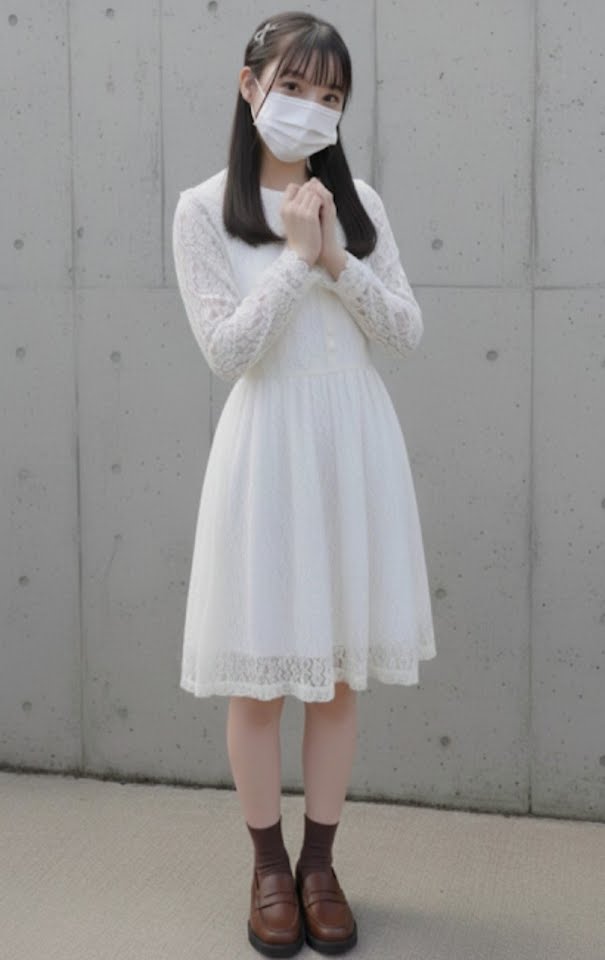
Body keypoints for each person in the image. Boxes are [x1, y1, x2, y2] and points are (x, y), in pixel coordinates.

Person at [172, 10, 437, 957]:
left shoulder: (358, 202)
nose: (310, 108)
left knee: (334, 678)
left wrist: (334, 256)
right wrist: (294, 261)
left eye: (330, 96)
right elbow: (226, 350)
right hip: (268, 450)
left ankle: (320, 865)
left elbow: (403, 331)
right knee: (260, 683)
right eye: (293, 87)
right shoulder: (204, 209)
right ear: (249, 87)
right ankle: (268, 869)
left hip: (351, 448)